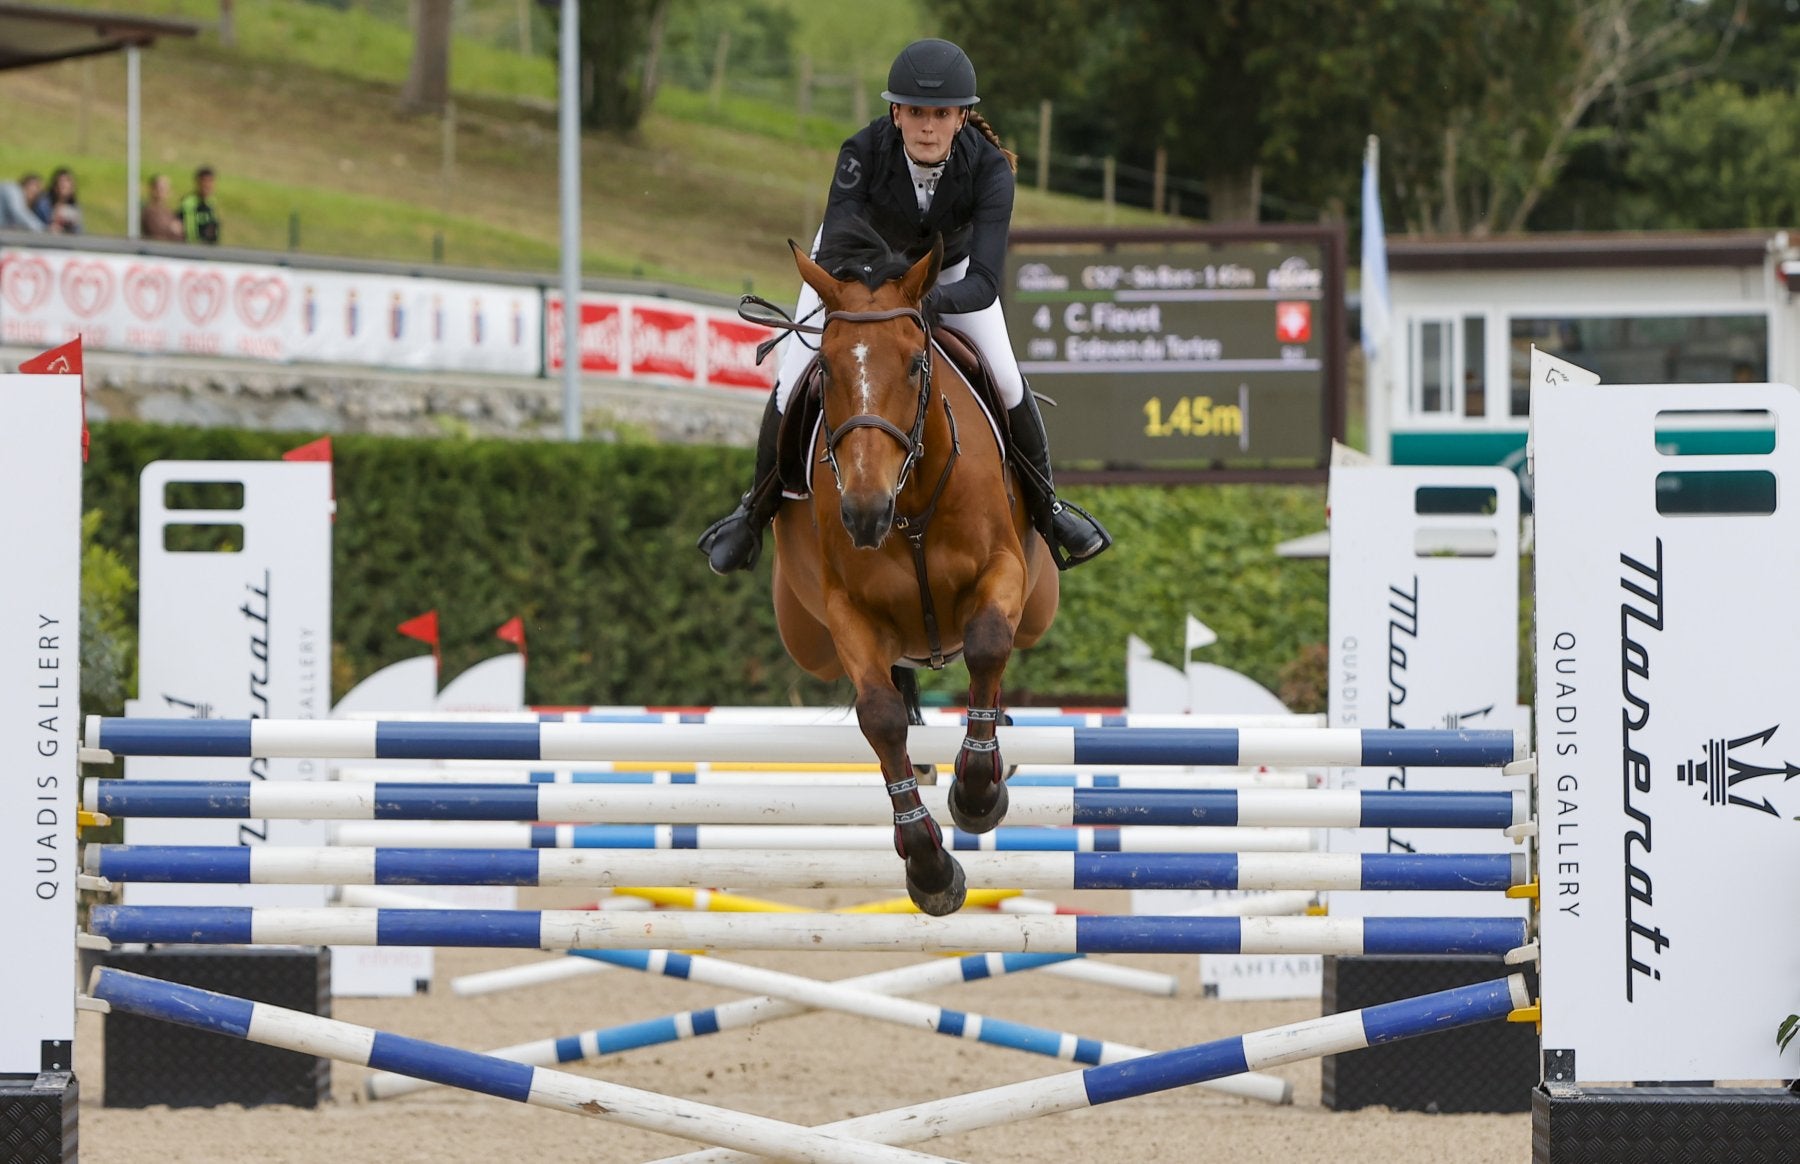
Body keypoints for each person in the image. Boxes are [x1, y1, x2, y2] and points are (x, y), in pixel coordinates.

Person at [698, 37, 1110, 575]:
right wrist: (881, 301)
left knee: (1007, 380)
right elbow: (842, 239)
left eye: (941, 114)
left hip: (950, 278)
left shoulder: (990, 172)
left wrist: (922, 302)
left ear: (963, 117)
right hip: (851, 277)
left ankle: (1050, 509)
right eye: (916, 112)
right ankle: (752, 513)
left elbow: (984, 282)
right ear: (896, 112)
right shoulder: (861, 152)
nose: (928, 127)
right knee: (794, 373)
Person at [179, 165, 221, 244]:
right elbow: (190, 233)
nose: (207, 185)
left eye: (210, 181)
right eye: (205, 181)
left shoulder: (211, 202)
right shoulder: (189, 203)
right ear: (198, 182)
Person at [32, 167, 81, 234]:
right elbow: (37, 224)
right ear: (55, 186)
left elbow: (79, 231)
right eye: (61, 182)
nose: (64, 185)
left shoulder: (74, 207)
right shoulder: (43, 203)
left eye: (68, 182)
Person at [140, 173, 186, 242]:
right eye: (161, 188)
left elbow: (180, 233)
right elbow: (156, 233)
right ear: (152, 189)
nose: (164, 191)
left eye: (166, 188)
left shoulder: (168, 212)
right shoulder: (149, 211)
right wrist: (171, 229)